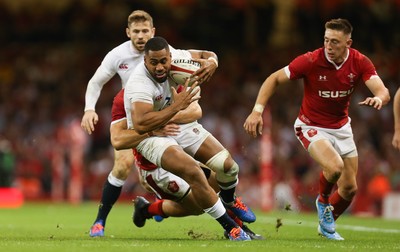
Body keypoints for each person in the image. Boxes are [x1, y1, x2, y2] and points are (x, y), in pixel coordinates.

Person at [243, 18, 390, 240]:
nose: (329, 47)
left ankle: (325, 224)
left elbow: (382, 90)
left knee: (349, 189)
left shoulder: (360, 62)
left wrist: (379, 98)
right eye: (326, 40)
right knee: (335, 167)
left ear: (348, 43)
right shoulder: (311, 60)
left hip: (341, 127)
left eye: (335, 42)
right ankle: (322, 201)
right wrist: (257, 110)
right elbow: (274, 79)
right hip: (310, 126)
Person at [82, 10, 219, 237]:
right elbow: (96, 82)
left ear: (152, 31)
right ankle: (99, 222)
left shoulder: (167, 52)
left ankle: (158, 206)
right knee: (123, 166)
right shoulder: (117, 55)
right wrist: (89, 109)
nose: (140, 35)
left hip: (163, 113)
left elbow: (199, 56)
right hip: (133, 119)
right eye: (136, 31)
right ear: (128, 33)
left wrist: (213, 60)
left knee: (200, 170)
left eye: (145, 31)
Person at [124, 36, 255, 241]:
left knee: (228, 166)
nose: (160, 67)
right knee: (196, 177)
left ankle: (229, 202)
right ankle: (232, 229)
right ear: (144, 61)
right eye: (154, 62)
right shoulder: (138, 84)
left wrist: (213, 63)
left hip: (176, 126)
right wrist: (178, 106)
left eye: (163, 61)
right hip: (150, 136)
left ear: (170, 56)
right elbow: (141, 124)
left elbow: (206, 55)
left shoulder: (178, 58)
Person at [110, 88, 263, 240]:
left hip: (179, 152)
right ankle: (235, 228)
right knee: (198, 204)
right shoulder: (126, 97)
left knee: (216, 182)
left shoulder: (171, 79)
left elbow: (195, 111)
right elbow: (118, 140)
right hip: (155, 168)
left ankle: (147, 209)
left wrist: (162, 119)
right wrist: (152, 130)